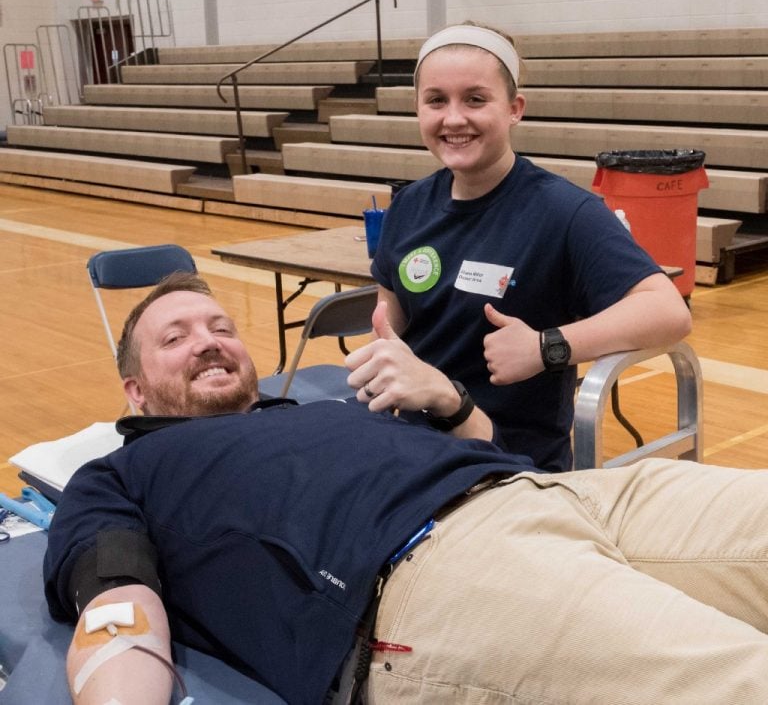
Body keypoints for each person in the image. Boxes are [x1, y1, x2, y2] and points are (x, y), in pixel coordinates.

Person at [44, 274, 768, 705]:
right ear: (135, 390)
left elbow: (489, 446)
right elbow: (117, 613)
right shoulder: (121, 474)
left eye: (222, 326)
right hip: (432, 573)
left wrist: (450, 399)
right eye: (175, 338)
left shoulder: (326, 407)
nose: (209, 339)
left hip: (561, 494)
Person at [345, 22, 692, 471]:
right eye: (436, 100)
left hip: (510, 463)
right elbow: (393, 317)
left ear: (514, 109)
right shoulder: (410, 205)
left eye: (475, 99)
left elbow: (667, 311)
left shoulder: (565, 212)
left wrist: (546, 347)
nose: (453, 118)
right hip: (412, 449)